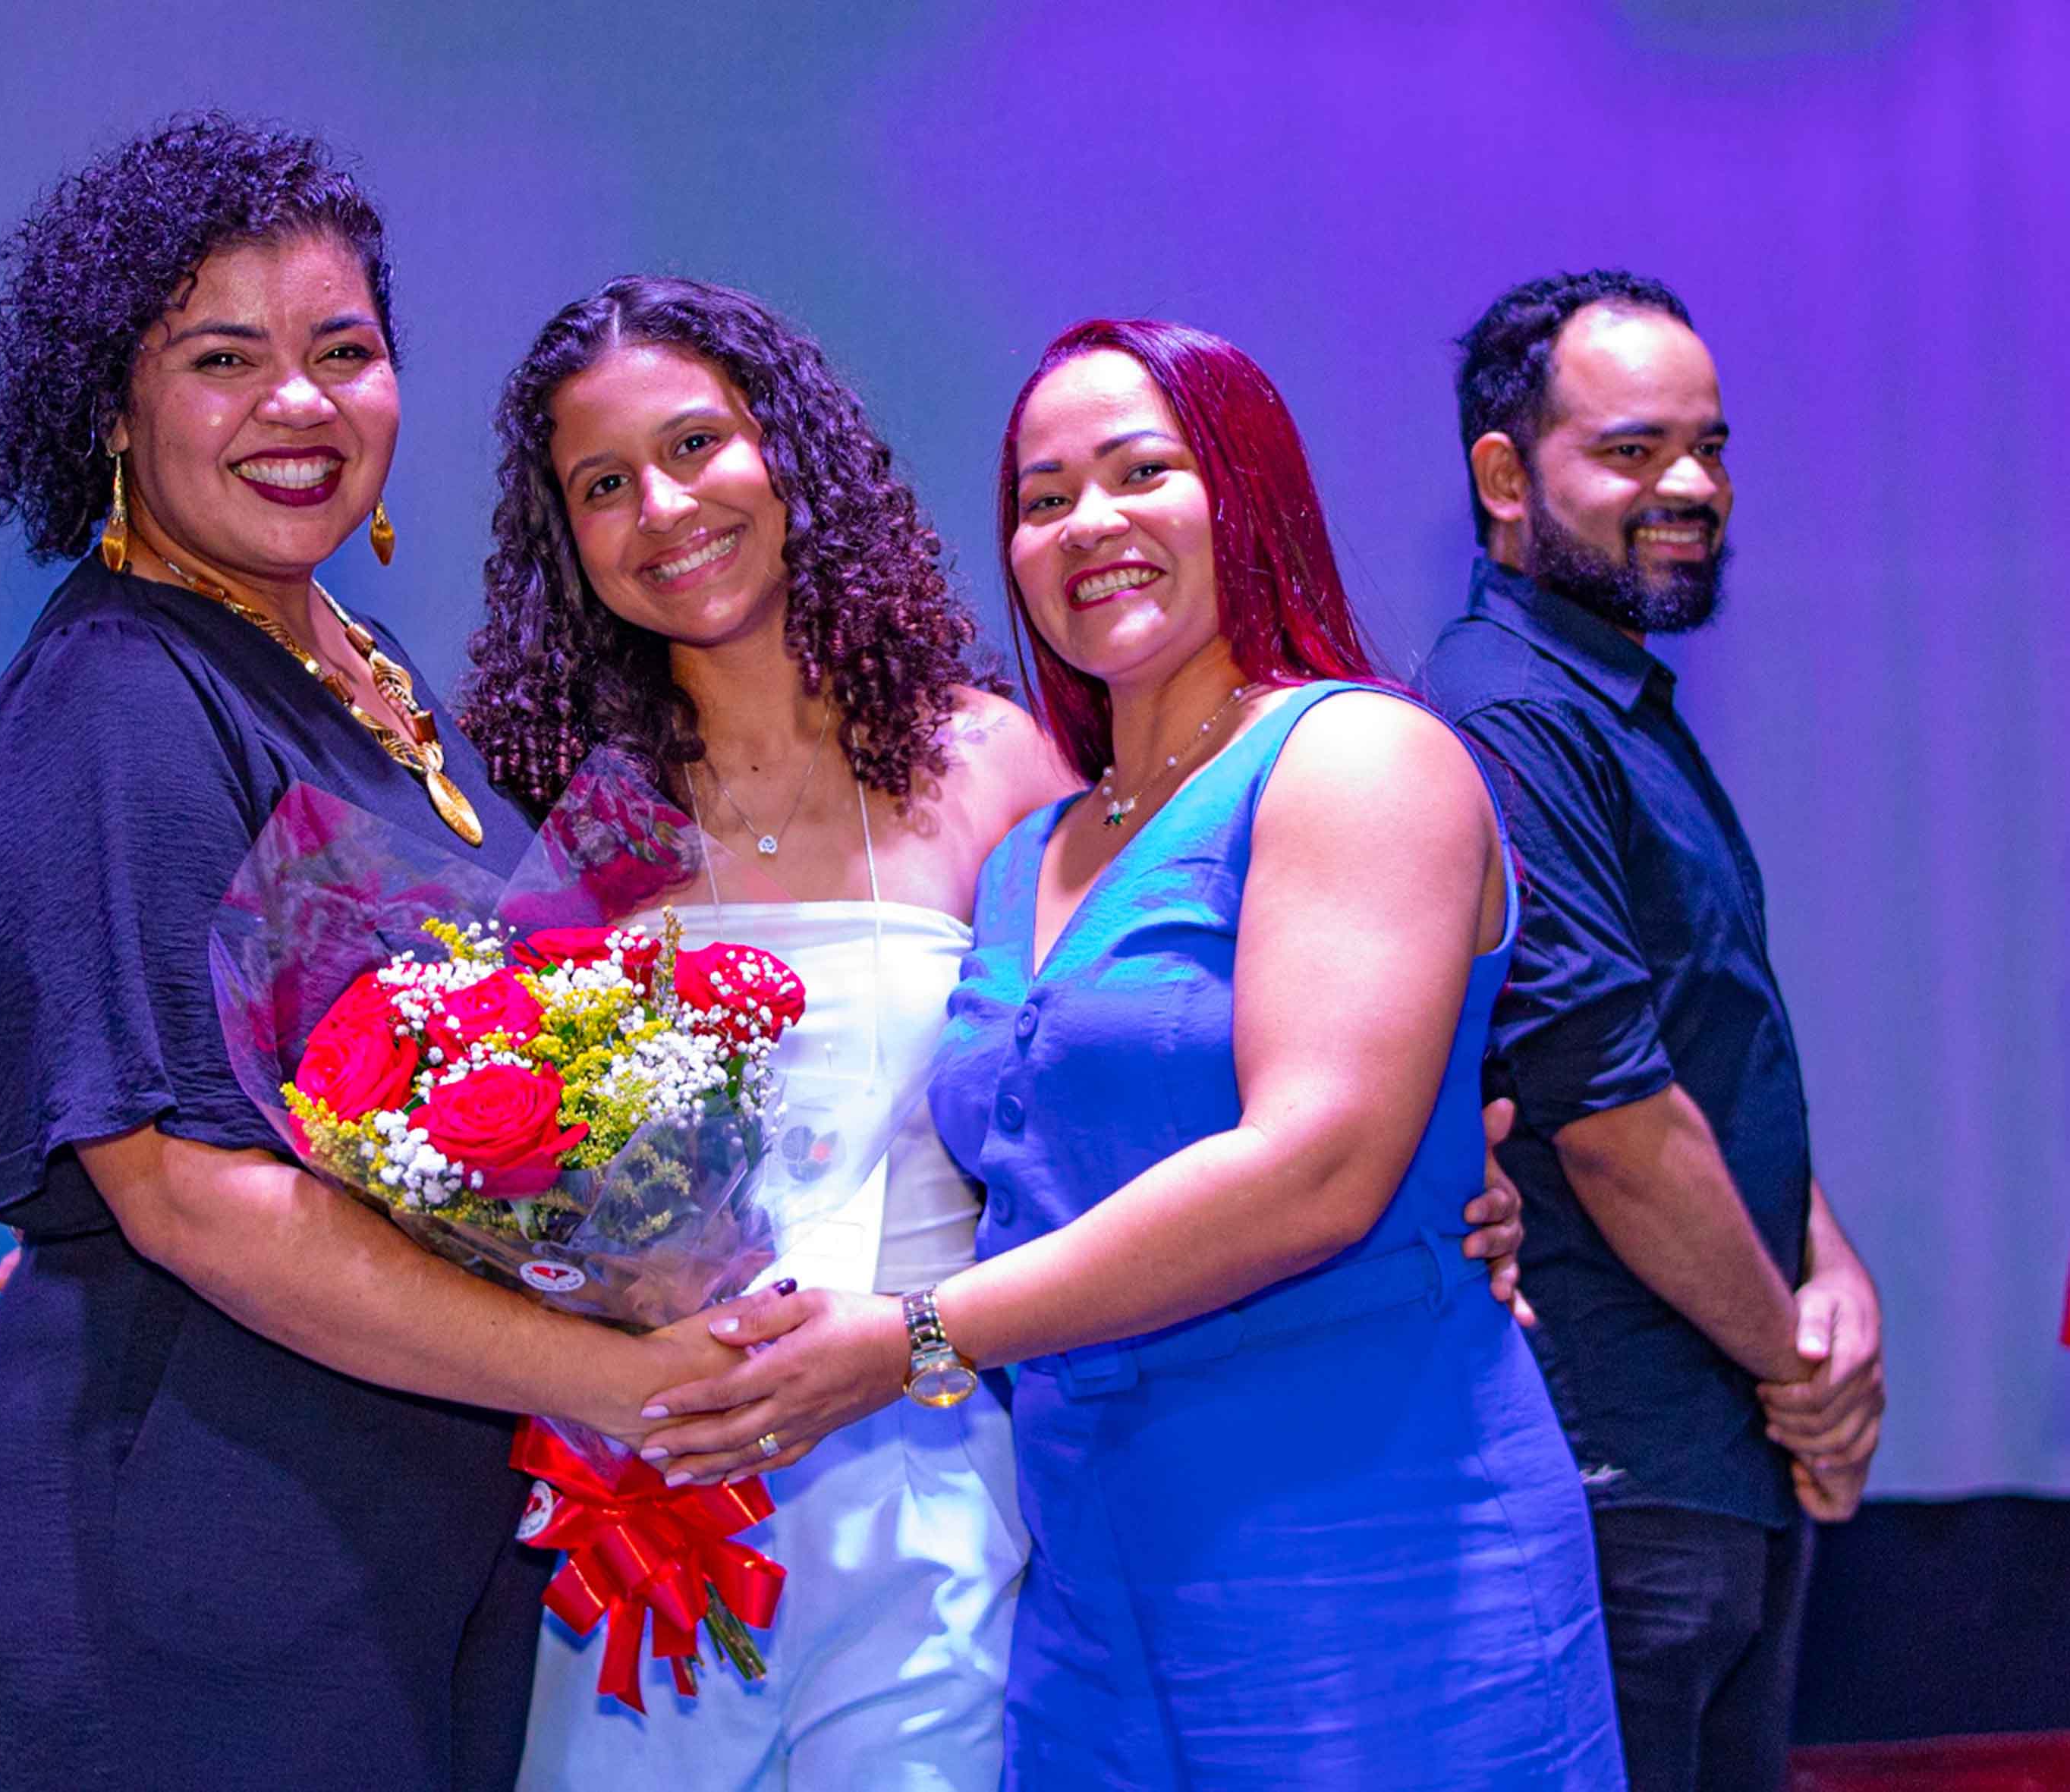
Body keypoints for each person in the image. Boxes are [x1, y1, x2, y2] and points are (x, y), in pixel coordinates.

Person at [490, 294, 1582, 1789]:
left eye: (695, 445)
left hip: (1051, 1481)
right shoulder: (603, 820)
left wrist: (1437, 1158)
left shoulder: (995, 768)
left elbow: (1272, 1091)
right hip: (747, 1504)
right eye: (604, 482)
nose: (663, 506)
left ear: (792, 458)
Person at [0, 118, 747, 1792]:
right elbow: (189, 1198)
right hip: (200, 1525)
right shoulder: (118, 699)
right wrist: (618, 1375)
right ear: (112, 409)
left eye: (343, 351)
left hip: (402, 1516)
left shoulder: (362, 669)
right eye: (223, 358)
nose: (297, 403)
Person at [1419, 269, 1886, 1792]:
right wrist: (1796, 1368)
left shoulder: (1602, 699)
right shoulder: (1509, 714)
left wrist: (1827, 1267)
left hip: (1703, 1449)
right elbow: (1611, 1116)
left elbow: (1706, 1039)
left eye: (1709, 446)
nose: (1689, 486)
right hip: (1617, 1465)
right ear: (1504, 478)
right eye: (1632, 450)